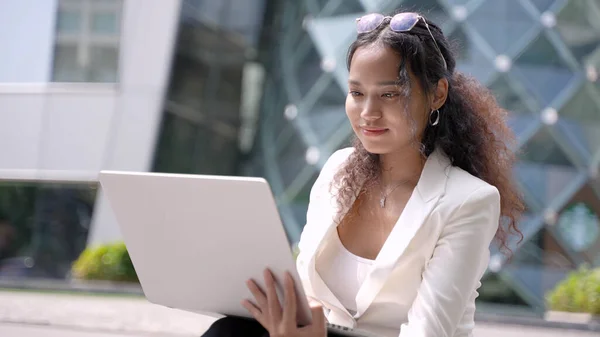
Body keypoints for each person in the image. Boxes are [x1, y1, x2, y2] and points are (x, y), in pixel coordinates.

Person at [202, 11, 523, 337]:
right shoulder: (338, 170)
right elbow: (308, 295)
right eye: (356, 93)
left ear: (437, 94)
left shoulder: (468, 200)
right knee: (229, 330)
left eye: (389, 94)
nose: (368, 113)